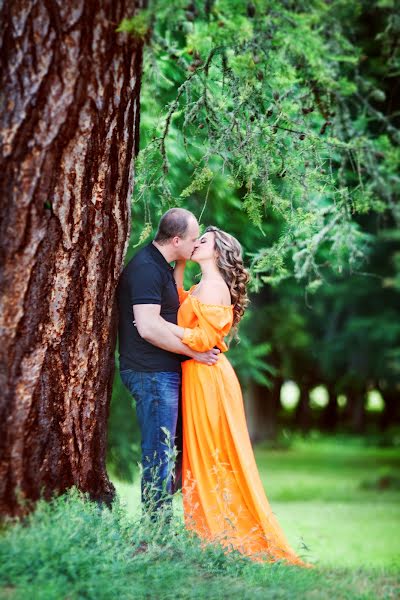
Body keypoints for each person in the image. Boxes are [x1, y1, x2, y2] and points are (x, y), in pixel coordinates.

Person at [162, 226, 307, 565]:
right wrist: (181, 263)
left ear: (219, 251)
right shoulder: (203, 285)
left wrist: (155, 324)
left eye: (203, 241)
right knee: (200, 457)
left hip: (208, 377)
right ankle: (207, 535)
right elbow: (178, 299)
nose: (196, 243)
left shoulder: (214, 288)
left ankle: (224, 538)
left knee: (213, 456)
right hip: (197, 375)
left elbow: (201, 341)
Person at [117, 209, 220, 520]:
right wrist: (194, 353)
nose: (196, 244)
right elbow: (148, 327)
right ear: (176, 240)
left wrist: (183, 261)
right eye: (192, 240)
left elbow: (171, 306)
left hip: (162, 373)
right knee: (160, 453)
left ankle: (161, 523)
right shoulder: (147, 269)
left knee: (173, 453)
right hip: (151, 374)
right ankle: (157, 529)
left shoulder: (161, 265)